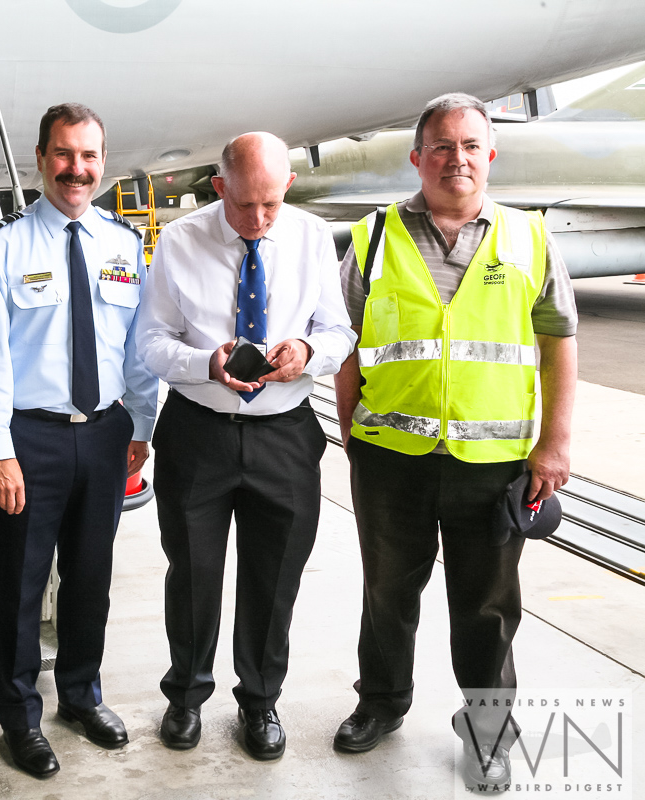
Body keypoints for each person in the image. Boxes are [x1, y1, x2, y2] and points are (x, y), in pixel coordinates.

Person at [331, 93, 577, 788]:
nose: (456, 158)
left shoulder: (529, 238)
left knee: (488, 608)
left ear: (490, 155)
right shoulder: (373, 237)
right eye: (441, 146)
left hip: (494, 462)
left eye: (470, 145)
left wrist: (553, 445)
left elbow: (560, 341)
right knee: (387, 593)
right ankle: (380, 702)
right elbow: (342, 341)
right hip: (390, 460)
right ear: (417, 158)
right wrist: (354, 431)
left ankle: (489, 734)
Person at [136, 132, 356, 760]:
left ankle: (260, 702)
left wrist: (309, 353)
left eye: (270, 205)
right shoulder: (180, 241)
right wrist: (207, 360)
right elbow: (150, 342)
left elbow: (338, 328)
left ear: (287, 187)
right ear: (219, 188)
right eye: (243, 206)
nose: (258, 221)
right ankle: (185, 695)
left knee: (273, 576)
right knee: (195, 574)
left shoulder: (312, 237)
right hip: (198, 433)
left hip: (284, 434)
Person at [0, 103, 158, 778]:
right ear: (41, 158)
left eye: (89, 156)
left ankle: (81, 695)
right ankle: (19, 718)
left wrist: (141, 425)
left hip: (106, 435)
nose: (77, 169)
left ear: (101, 162)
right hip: (30, 439)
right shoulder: (6, 245)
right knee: (20, 586)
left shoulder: (124, 246)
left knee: (90, 579)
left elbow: (136, 348)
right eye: (64, 154)